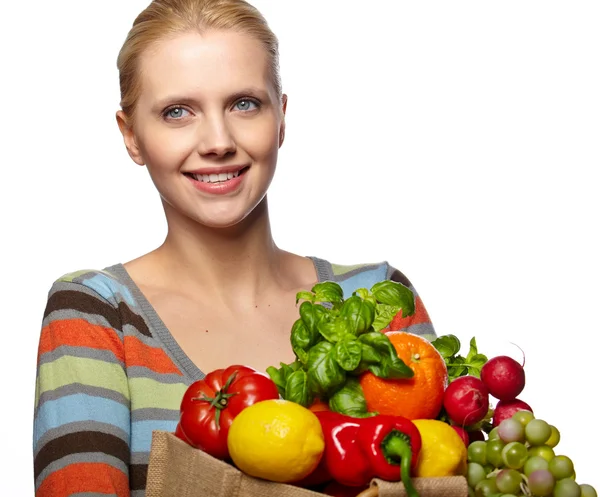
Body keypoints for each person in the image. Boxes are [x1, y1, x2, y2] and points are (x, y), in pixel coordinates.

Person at [32, 0, 436, 495]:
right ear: (131, 136)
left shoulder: (378, 298)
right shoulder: (97, 314)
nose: (218, 141)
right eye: (177, 112)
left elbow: (442, 471)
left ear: (281, 117)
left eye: (244, 103)